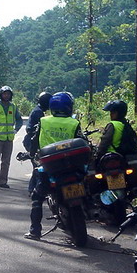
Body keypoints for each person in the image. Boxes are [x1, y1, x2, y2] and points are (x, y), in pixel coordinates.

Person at [24, 91, 85, 239]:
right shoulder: (74, 123)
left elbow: (34, 141)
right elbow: (82, 141)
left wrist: (32, 153)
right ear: (69, 107)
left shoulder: (44, 121)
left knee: (37, 197)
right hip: (71, 166)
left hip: (49, 168)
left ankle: (35, 231)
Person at [94, 99, 137, 164]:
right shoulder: (126, 125)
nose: (111, 114)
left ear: (119, 113)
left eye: (113, 112)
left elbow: (104, 142)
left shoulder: (112, 125)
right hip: (125, 158)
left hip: (111, 158)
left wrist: (97, 156)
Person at [24, 92, 52, 194]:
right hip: (32, 140)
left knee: (38, 165)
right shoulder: (38, 112)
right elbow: (34, 129)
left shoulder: (39, 110)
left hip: (32, 140)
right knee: (38, 166)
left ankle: (35, 189)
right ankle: (33, 189)